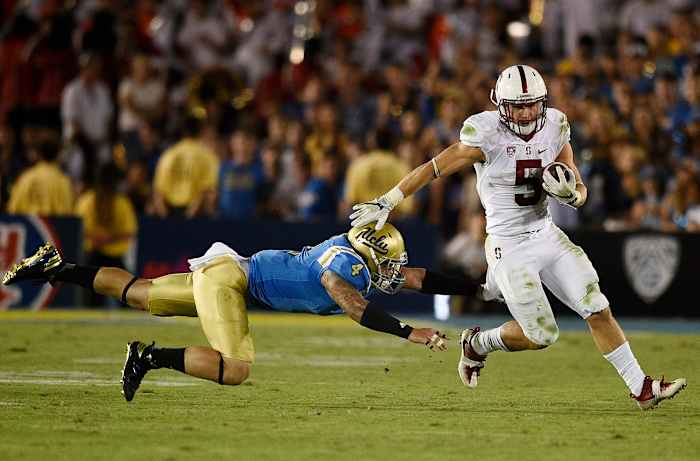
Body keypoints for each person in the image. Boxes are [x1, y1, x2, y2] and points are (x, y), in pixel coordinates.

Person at [349, 65, 687, 410]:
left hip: (546, 234)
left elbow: (576, 181)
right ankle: (478, 344)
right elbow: (435, 167)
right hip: (507, 244)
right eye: (518, 106)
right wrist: (389, 199)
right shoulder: (485, 133)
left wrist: (574, 196)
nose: (526, 113)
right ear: (500, 105)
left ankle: (641, 388)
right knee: (542, 335)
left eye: (532, 105)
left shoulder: (555, 124)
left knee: (597, 307)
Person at [3, 223, 475, 402]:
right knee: (236, 369)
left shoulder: (358, 255)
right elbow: (351, 304)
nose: (394, 270)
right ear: (369, 253)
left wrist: (481, 286)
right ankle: (147, 358)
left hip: (232, 272)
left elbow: (420, 277)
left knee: (139, 293)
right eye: (386, 261)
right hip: (233, 281)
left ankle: (56, 267)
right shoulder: (344, 266)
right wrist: (407, 331)